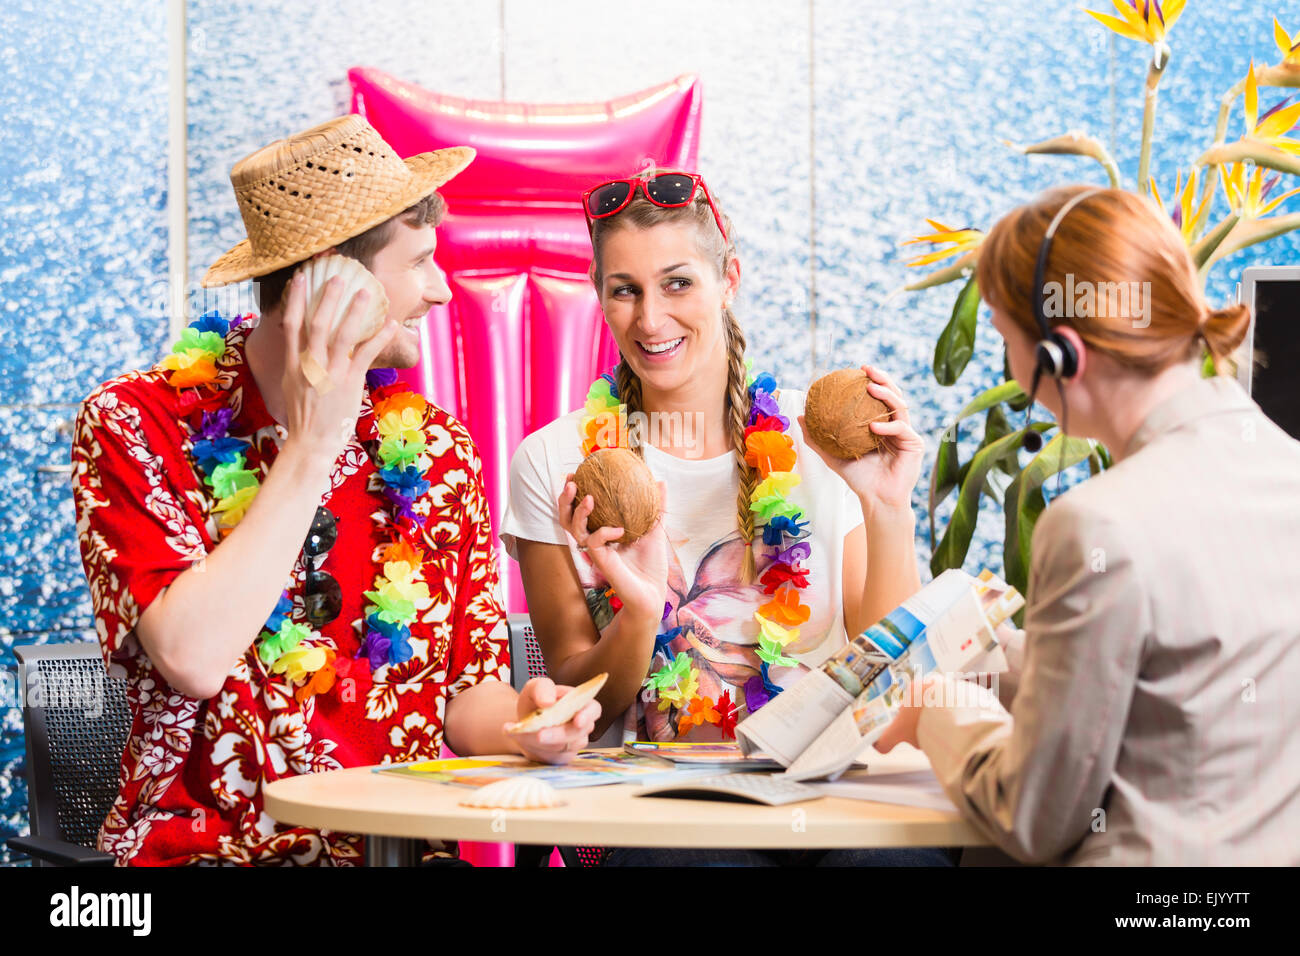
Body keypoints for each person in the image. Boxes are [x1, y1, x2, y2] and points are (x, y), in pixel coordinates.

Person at [71, 115, 598, 866]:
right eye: (417, 263)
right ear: (331, 278)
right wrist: (315, 443)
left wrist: (526, 720)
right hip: (211, 855)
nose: (441, 290)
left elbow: (465, 696)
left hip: (402, 855)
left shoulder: (439, 451)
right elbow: (190, 657)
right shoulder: (135, 424)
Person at [501, 170, 944, 865]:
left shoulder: (816, 439)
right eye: (626, 290)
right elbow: (581, 701)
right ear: (601, 297)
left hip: (830, 797)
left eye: (678, 283)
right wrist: (642, 612)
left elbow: (888, 675)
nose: (651, 320)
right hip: (661, 816)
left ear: (728, 278)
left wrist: (887, 509)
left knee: (892, 862)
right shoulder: (553, 461)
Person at [876, 184, 1300, 865]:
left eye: (1008, 341)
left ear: (1059, 357)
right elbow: (1177, 682)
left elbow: (1032, 815)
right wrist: (998, 658)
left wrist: (940, 711)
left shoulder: (1099, 525)